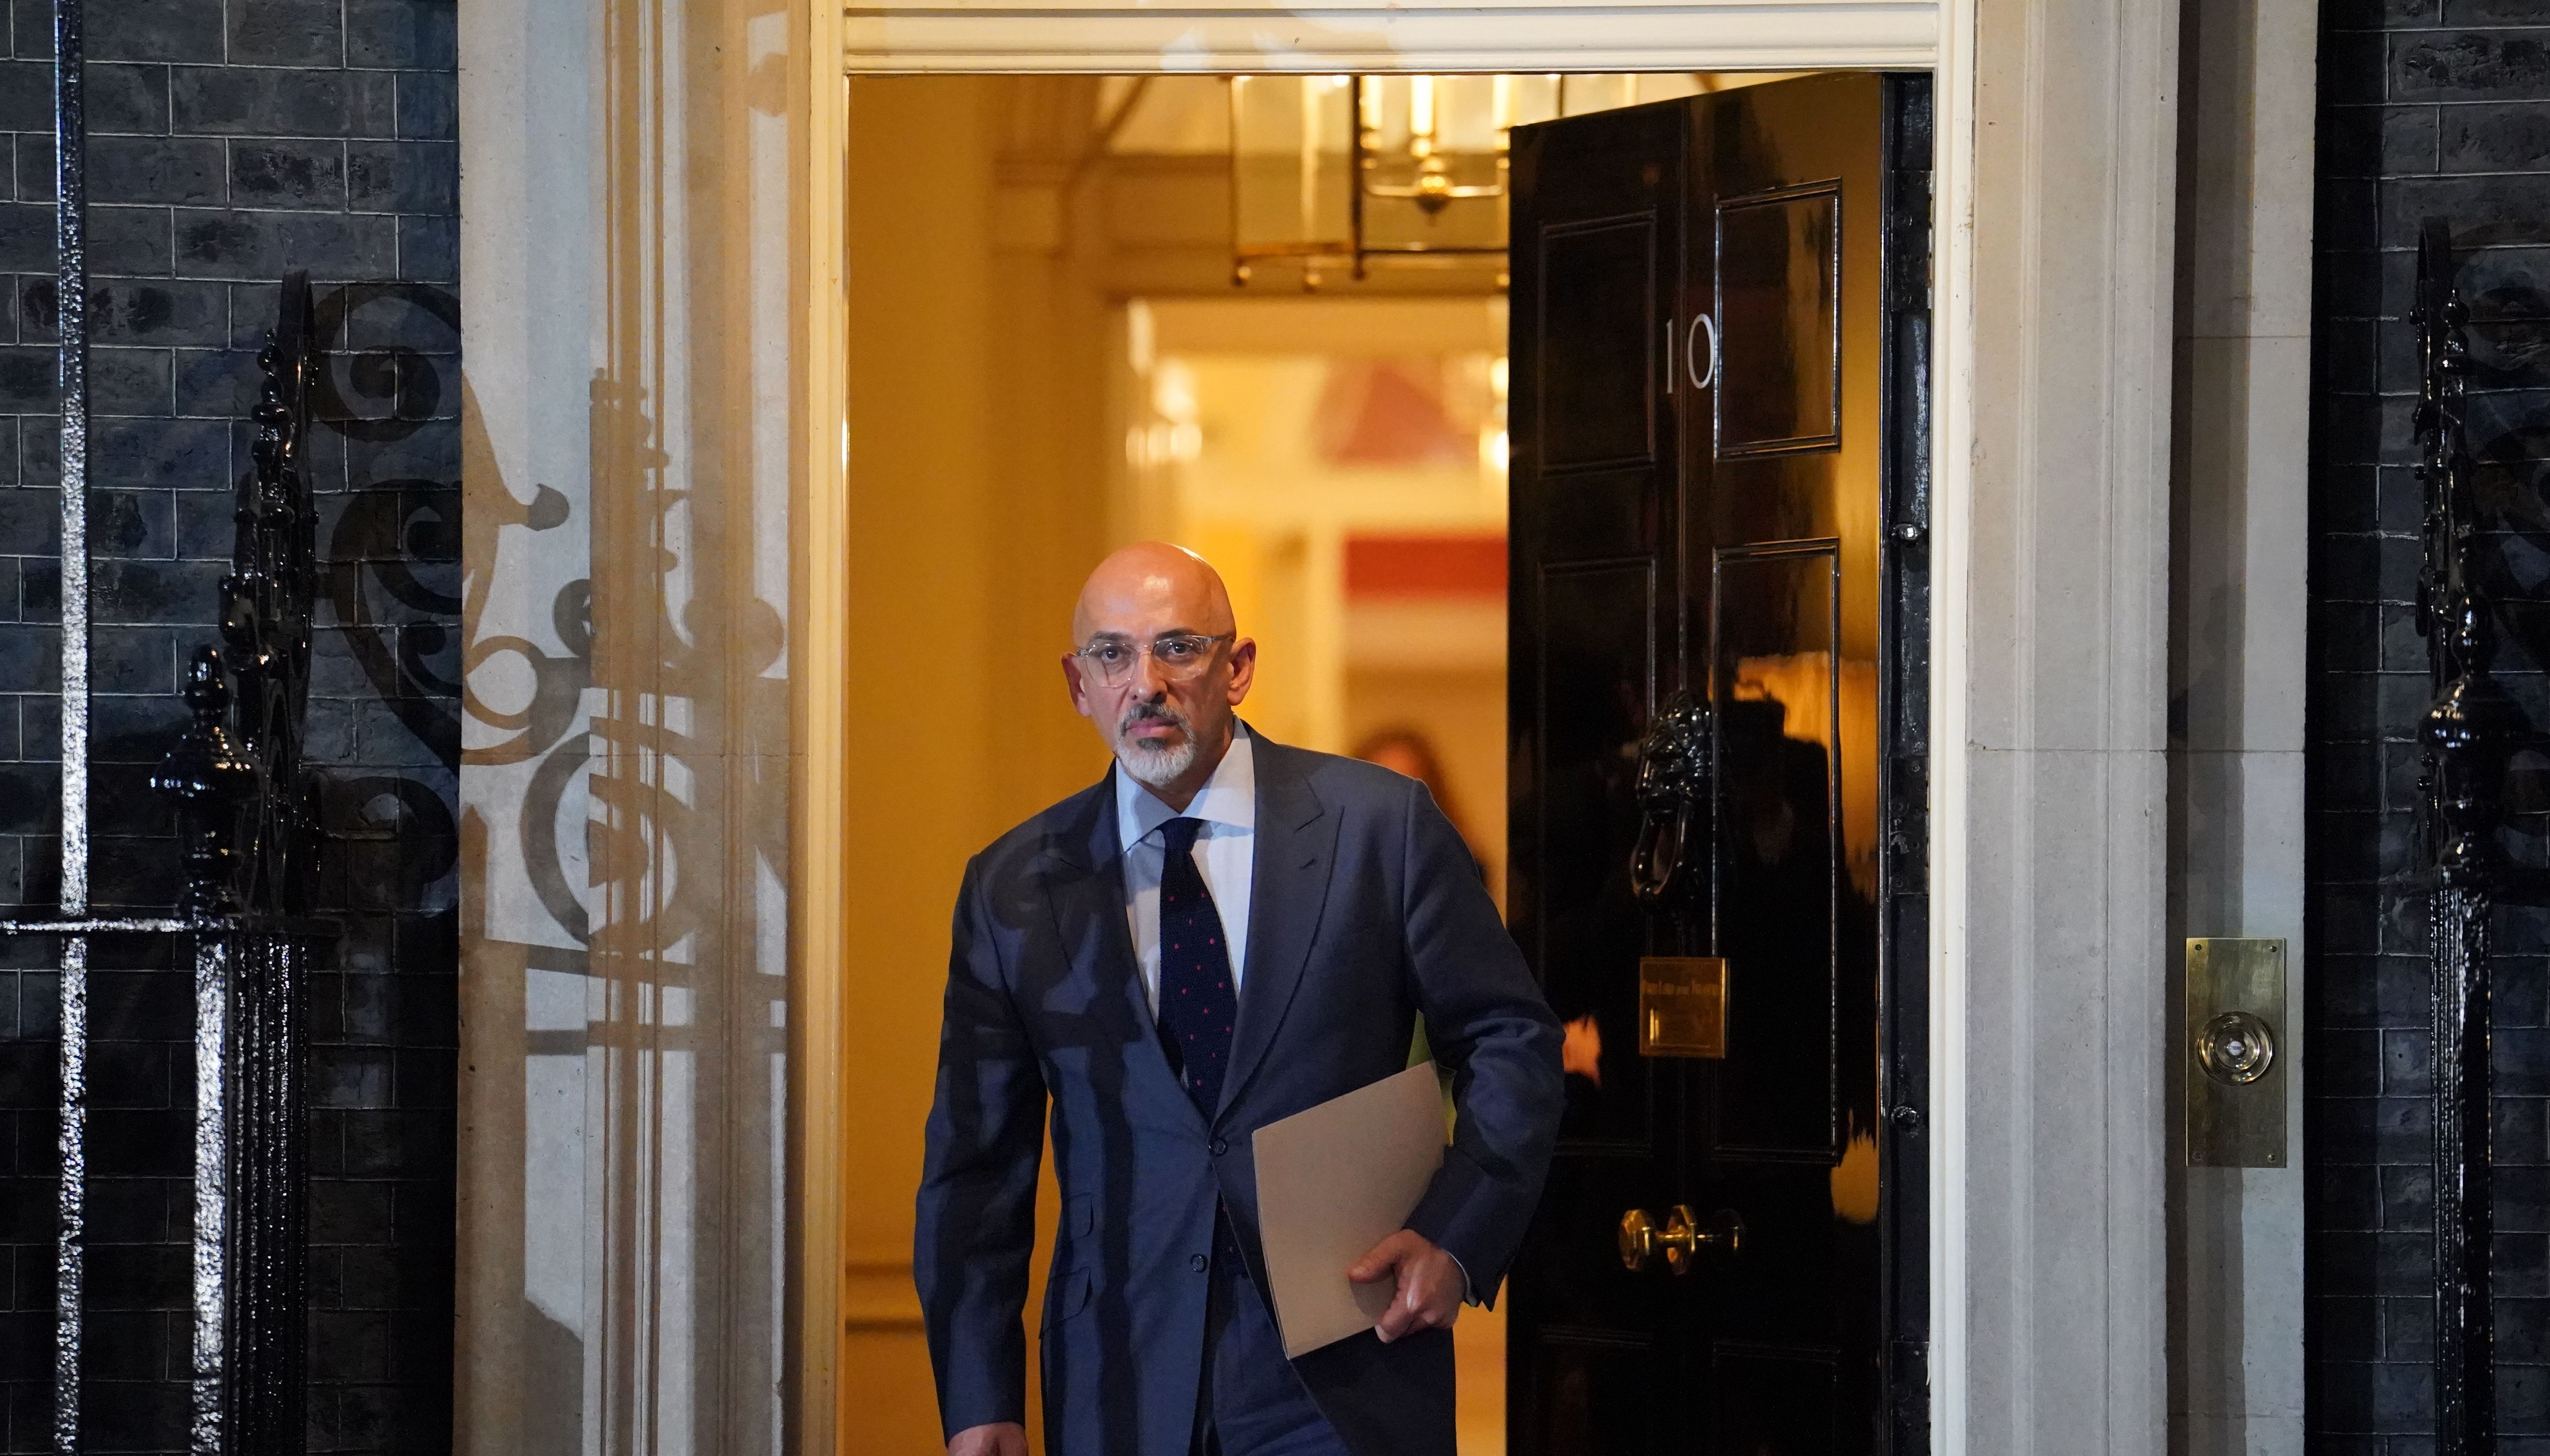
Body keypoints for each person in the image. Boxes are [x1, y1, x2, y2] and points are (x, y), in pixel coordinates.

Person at [915, 542, 1564, 1456]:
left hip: (1346, 1359)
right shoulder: (1014, 884)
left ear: (1238, 667)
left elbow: (1510, 1039)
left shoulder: (1381, 826)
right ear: (1078, 684)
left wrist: (1453, 1236)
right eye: (1113, 654)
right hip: (1120, 1377)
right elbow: (976, 1165)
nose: (1147, 683)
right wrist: (980, 1398)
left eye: (1179, 647)